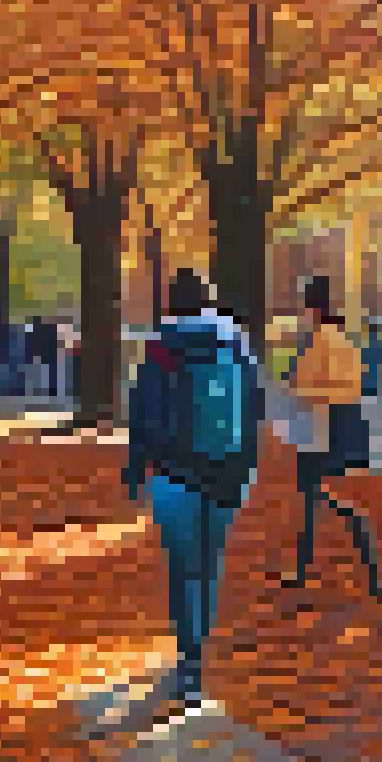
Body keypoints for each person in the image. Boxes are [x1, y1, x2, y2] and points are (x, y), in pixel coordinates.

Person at [122, 268, 264, 706]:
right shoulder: (235, 342)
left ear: (171, 303)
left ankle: (189, 664)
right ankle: (199, 653)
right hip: (227, 470)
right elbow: (254, 408)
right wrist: (246, 469)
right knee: (209, 567)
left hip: (173, 472)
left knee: (184, 570)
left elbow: (142, 413)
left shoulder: (161, 346)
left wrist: (136, 472)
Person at [280, 276, 382, 599]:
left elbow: (301, 388)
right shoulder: (343, 341)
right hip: (352, 430)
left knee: (313, 493)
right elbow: (360, 382)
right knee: (313, 495)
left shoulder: (317, 342)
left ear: (311, 308)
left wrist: (290, 383)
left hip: (325, 430)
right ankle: (306, 565)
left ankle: (313, 561)